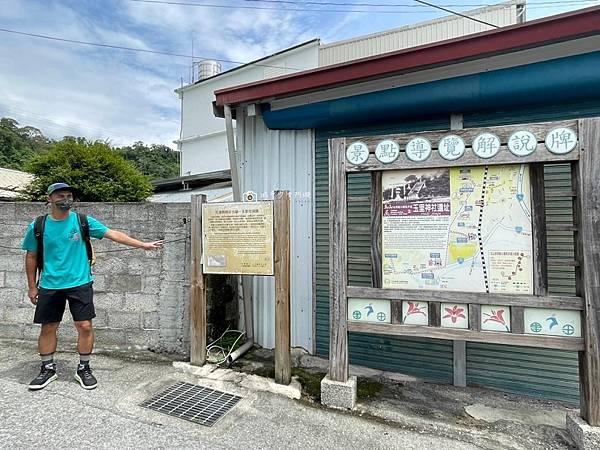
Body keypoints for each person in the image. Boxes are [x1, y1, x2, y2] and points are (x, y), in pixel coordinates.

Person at [21, 182, 164, 391]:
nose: (66, 199)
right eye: (60, 195)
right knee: (49, 327)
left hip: (80, 283)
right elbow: (31, 256)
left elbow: (112, 234)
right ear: (49, 198)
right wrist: (32, 287)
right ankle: (47, 369)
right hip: (50, 285)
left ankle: (84, 368)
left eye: (69, 195)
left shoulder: (82, 221)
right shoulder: (38, 226)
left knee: (85, 326)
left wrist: (142, 245)